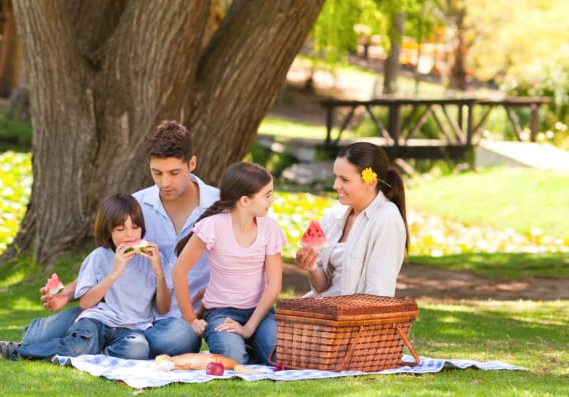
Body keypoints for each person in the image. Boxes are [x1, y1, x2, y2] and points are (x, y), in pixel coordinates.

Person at [0, 120, 218, 359]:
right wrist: (67, 292)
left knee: (179, 340)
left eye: (174, 173)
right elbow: (104, 260)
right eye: (157, 173)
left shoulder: (219, 208)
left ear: (192, 163)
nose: (165, 182)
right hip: (114, 310)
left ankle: (91, 345)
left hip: (171, 321)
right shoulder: (135, 207)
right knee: (37, 337)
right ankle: (80, 342)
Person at [0, 194, 170, 360]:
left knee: (137, 350)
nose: (129, 234)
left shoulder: (152, 259)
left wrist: (159, 272)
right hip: (98, 321)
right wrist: (114, 273)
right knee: (80, 345)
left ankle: (88, 356)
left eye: (135, 227)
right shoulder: (99, 257)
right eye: (120, 229)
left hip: (132, 328)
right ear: (108, 232)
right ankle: (15, 351)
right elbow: (85, 304)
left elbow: (163, 308)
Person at [171, 162, 284, 365]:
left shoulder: (270, 228)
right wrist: (191, 318)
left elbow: (274, 284)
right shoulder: (212, 226)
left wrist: (249, 328)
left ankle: (248, 339)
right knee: (233, 358)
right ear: (244, 201)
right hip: (221, 311)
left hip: (259, 310)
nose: (272, 200)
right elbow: (179, 270)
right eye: (267, 195)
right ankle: (239, 344)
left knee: (279, 357)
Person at [295, 141, 409, 297]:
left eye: (345, 180)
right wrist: (312, 267)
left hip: (352, 316)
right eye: (336, 177)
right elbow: (322, 286)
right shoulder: (335, 214)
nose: (336, 185)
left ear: (370, 182)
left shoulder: (387, 219)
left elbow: (379, 292)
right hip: (322, 307)